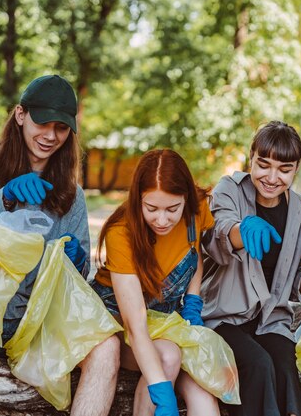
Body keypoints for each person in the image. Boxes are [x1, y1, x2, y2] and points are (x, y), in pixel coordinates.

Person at [0, 74, 120, 416]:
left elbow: (79, 272)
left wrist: (77, 261)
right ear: (20, 114)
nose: (50, 136)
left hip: (35, 316)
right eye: (42, 123)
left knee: (107, 346)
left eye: (61, 128)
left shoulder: (72, 194)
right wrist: (3, 197)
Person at [201, 121, 301, 416]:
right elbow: (218, 233)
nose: (272, 177)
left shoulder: (300, 210)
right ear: (251, 158)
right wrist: (240, 230)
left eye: (284, 169)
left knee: (286, 367)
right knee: (258, 365)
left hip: (269, 319)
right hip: (224, 316)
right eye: (263, 165)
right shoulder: (229, 190)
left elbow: (292, 282)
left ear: (296, 169)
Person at [92, 148, 219, 416]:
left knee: (203, 389)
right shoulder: (121, 234)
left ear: (186, 198)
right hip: (117, 321)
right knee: (168, 357)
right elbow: (135, 326)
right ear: (138, 199)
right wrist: (163, 397)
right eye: (152, 208)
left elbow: (192, 253)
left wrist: (193, 302)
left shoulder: (198, 208)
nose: (162, 220)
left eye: (173, 209)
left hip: (163, 319)